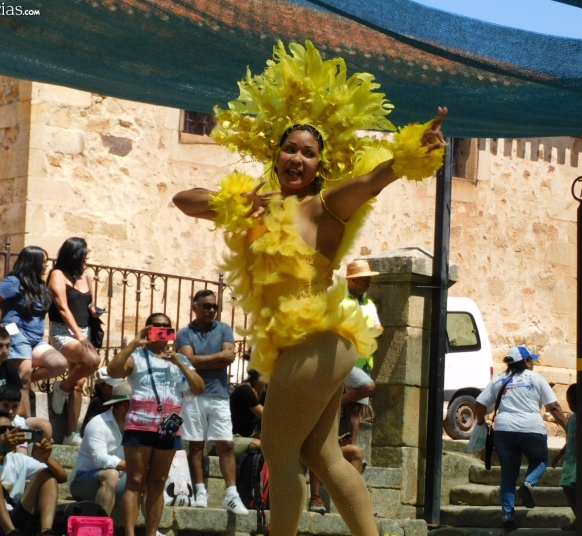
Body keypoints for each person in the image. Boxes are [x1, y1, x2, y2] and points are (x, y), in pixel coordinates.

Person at [173, 39, 447, 536]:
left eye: (309, 152)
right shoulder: (260, 204)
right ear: (274, 153)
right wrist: (235, 201)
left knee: (278, 451)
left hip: (319, 340)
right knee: (321, 455)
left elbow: (374, 178)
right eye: (290, 148)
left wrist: (410, 154)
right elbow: (184, 199)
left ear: (321, 163)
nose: (297, 158)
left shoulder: (325, 205)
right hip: (302, 349)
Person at [107, 313, 205, 536]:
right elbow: (113, 371)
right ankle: (131, 533)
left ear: (171, 331)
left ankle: (152, 532)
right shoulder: (137, 356)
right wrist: (134, 343)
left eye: (165, 326)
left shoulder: (181, 360)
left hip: (169, 426)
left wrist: (179, 361)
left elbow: (199, 388)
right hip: (140, 424)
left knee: (159, 481)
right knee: (135, 480)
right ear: (148, 329)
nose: (161, 329)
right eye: (156, 326)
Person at [475, 345, 568, 532]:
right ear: (525, 362)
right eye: (531, 359)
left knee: (508, 474)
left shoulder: (499, 380)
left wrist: (480, 423)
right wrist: (567, 428)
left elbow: (479, 404)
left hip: (504, 430)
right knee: (541, 460)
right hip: (531, 428)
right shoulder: (536, 378)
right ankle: (527, 484)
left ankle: (507, 517)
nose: (533, 362)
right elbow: (554, 407)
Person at [176, 290, 246, 514]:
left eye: (214, 306)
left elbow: (225, 358)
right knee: (196, 444)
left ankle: (232, 494)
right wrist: (217, 358)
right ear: (194, 306)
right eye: (206, 306)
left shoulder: (224, 329)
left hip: (219, 394)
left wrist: (197, 361)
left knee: (226, 444)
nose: (211, 310)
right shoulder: (184, 333)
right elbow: (187, 362)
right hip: (192, 394)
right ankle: (200, 492)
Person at [0, 246, 67, 419]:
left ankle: (18, 382)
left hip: (36, 338)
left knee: (59, 364)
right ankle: (26, 420)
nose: (46, 265)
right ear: (32, 262)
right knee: (24, 381)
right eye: (43, 261)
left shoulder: (41, 285)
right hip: (14, 330)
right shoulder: (13, 281)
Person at [47, 237, 102, 446]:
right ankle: (61, 387)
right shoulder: (57, 274)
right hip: (63, 331)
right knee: (92, 361)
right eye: (84, 253)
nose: (87, 257)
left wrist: (94, 312)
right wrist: (78, 335)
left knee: (78, 385)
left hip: (84, 330)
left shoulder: (85, 275)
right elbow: (62, 307)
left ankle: (71, 434)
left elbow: (87, 303)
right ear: (74, 254)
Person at [69, 382, 130, 515]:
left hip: (117, 480)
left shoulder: (135, 428)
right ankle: (99, 528)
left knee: (151, 474)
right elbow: (99, 459)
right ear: (126, 406)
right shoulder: (98, 424)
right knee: (112, 474)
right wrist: (131, 467)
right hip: (82, 483)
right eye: (137, 405)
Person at [551, 383, 582, 531]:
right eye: (569, 403)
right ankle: (579, 517)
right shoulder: (572, 417)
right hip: (570, 460)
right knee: (566, 486)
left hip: (581, 460)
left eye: (574, 402)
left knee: (577, 486)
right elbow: (569, 439)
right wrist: (559, 455)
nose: (571, 406)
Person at [0, 384, 51, 453]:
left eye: (15, 406)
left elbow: (21, 456)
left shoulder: (20, 422)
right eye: (6, 406)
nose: (10, 411)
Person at [308, 435, 365, 515]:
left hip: (330, 446)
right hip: (309, 447)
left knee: (357, 452)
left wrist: (339, 440)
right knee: (319, 448)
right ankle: (315, 498)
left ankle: (351, 501)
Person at [344, 259, 383, 373]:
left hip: (366, 361)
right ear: (353, 280)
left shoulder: (369, 303)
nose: (368, 283)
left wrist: (378, 330)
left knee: (364, 388)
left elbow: (378, 326)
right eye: (365, 279)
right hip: (346, 361)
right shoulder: (340, 301)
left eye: (369, 279)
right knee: (365, 387)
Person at [229, 368, 264, 458]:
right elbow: (265, 416)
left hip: (250, 436)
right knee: (265, 445)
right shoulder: (244, 390)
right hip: (234, 439)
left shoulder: (262, 392)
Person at [80, 367, 124, 438]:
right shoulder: (97, 402)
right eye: (112, 386)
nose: (116, 388)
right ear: (101, 386)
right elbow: (93, 426)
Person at [341, 366, 375, 445]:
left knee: (355, 410)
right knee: (367, 387)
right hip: (346, 363)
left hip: (362, 367)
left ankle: (351, 447)